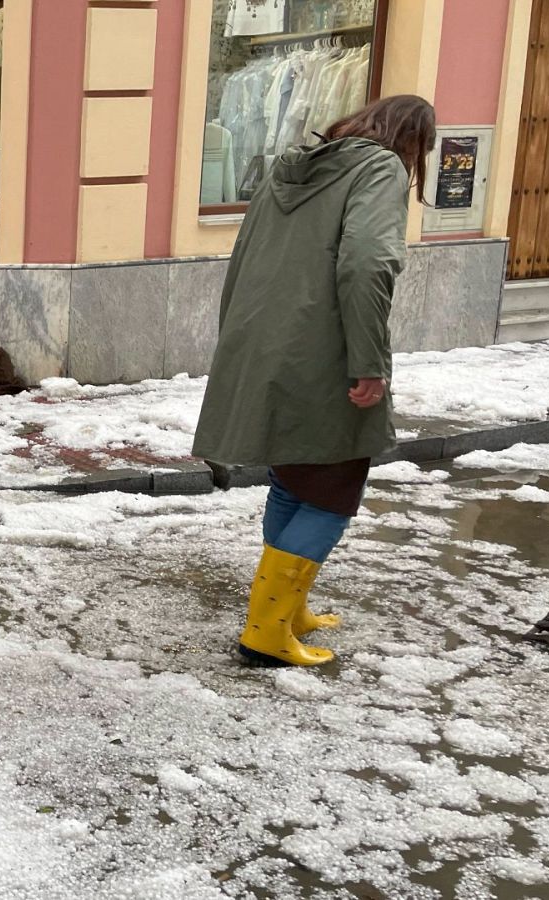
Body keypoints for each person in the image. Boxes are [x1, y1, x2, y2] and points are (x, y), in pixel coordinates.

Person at [192, 95, 436, 668]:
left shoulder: (289, 166)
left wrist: (237, 344)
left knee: (293, 474)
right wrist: (368, 361)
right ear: (414, 140)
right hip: (325, 350)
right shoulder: (381, 168)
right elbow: (368, 264)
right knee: (332, 489)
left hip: (263, 342)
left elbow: (243, 258)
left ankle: (288, 608)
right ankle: (267, 630)